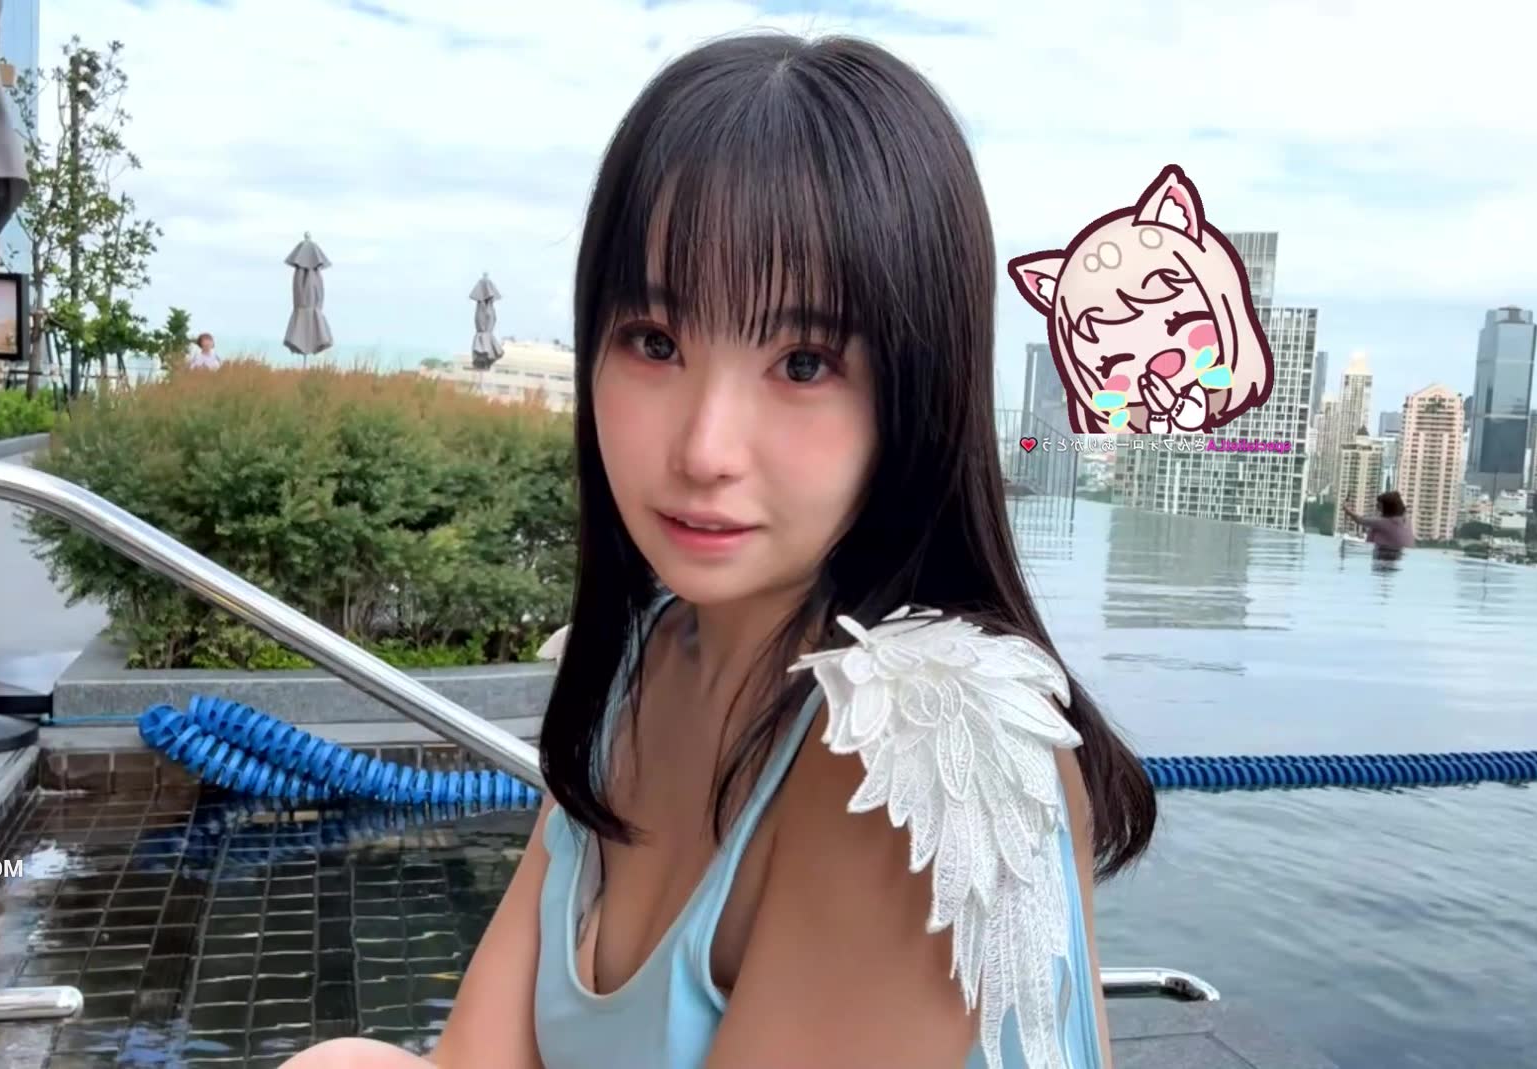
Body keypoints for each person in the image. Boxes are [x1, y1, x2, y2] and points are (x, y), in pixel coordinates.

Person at [285, 30, 1154, 1069]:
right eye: (654, 341)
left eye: (803, 362)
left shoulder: (918, 751)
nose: (703, 449)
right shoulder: (646, 654)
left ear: (917, 390)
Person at [1343, 490, 1416, 558]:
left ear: (1387, 507)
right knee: (1375, 529)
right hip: (1402, 557)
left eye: (1379, 504)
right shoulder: (1406, 519)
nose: (1376, 505)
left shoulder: (1384, 523)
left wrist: (1346, 509)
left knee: (1374, 529)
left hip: (1386, 557)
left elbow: (1359, 520)